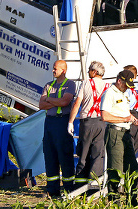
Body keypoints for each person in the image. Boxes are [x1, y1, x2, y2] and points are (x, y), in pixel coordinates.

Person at [68, 61, 113, 188]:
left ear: (94, 72)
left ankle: (79, 187)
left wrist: (71, 122)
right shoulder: (108, 86)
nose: (88, 72)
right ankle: (94, 187)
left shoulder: (86, 83)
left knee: (83, 153)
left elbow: (77, 104)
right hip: (102, 123)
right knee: (98, 155)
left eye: (89, 70)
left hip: (87, 123)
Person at [40, 60, 77, 197]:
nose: (53, 71)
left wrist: (49, 100)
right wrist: (54, 102)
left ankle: (69, 189)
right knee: (50, 155)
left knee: (64, 155)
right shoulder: (48, 85)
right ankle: (52, 190)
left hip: (62, 122)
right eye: (53, 68)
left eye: (55, 69)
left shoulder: (69, 84)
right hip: (49, 122)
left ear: (63, 70)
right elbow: (41, 105)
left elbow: (65, 102)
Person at [102, 69, 138, 200]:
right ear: (119, 81)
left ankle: (132, 199)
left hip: (126, 133)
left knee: (133, 169)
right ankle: (114, 201)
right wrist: (125, 119)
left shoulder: (123, 94)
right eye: (126, 85)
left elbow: (124, 113)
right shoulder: (109, 93)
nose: (127, 88)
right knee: (115, 170)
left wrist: (133, 119)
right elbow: (105, 116)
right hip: (115, 133)